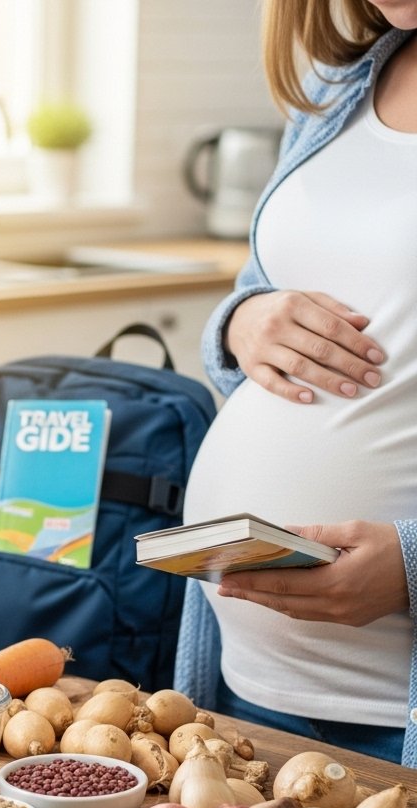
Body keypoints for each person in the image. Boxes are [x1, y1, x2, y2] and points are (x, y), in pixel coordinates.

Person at [173, 0, 417, 767]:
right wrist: (244, 321)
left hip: (390, 710)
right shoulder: (342, 81)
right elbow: (271, 291)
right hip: (248, 687)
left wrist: (412, 566)